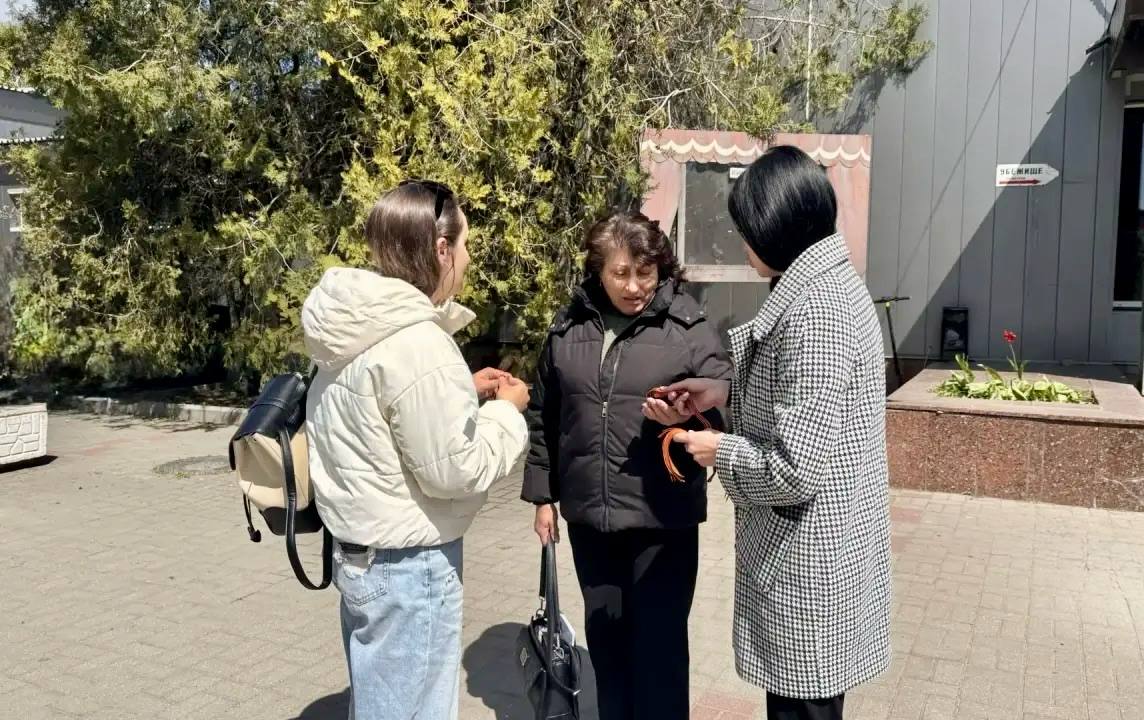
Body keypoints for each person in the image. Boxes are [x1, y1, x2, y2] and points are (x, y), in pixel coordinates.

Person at [665, 146, 891, 720]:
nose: (743, 244)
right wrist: (722, 394)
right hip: (822, 553)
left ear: (775, 229)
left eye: (747, 230)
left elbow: (794, 468)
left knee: (802, 709)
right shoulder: (830, 288)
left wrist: (718, 448)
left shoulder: (816, 311)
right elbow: (805, 410)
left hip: (809, 564)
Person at [302, 180, 530, 720]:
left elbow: (376, 411)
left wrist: (459, 391)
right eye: (465, 244)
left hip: (361, 556)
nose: (468, 258)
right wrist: (507, 412)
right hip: (408, 566)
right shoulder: (419, 343)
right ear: (441, 249)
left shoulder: (354, 325)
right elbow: (455, 470)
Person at [522, 210, 732, 720]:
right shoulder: (569, 326)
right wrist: (543, 496)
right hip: (591, 520)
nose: (634, 286)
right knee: (607, 647)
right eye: (620, 273)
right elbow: (545, 413)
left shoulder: (688, 326)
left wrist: (687, 417)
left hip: (662, 521)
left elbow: (725, 406)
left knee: (659, 653)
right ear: (598, 271)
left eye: (646, 272)